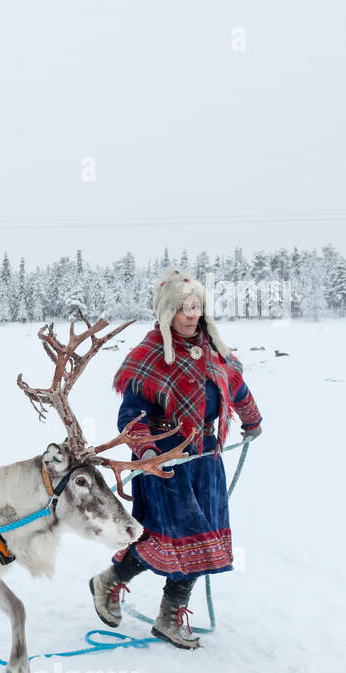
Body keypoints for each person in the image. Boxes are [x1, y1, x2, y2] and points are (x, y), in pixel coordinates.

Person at [89, 267, 263, 649]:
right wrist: (149, 452)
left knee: (202, 541)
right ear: (167, 312)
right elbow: (130, 418)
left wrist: (252, 420)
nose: (192, 314)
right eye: (184, 308)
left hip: (206, 462)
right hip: (165, 466)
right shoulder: (149, 356)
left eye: (197, 306)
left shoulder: (214, 349)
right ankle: (111, 581)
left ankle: (167, 614)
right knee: (168, 538)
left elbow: (236, 387)